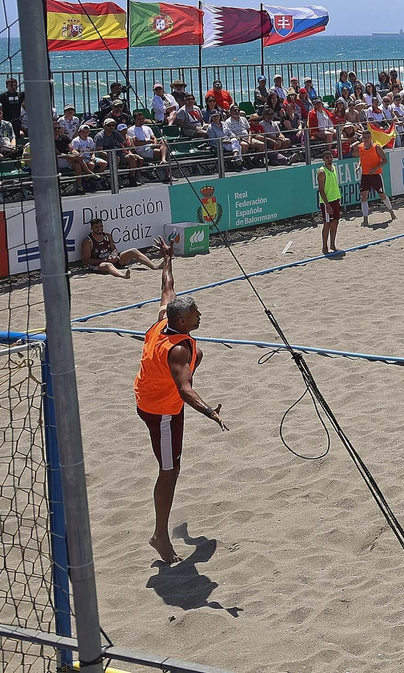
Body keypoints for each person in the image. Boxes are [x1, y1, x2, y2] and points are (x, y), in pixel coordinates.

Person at [133, 235, 227, 565]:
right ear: (182, 321)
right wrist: (209, 411)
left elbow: (167, 289)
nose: (199, 313)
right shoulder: (177, 350)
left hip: (148, 394)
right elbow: (185, 391)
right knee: (169, 471)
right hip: (162, 410)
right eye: (194, 312)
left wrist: (168, 259)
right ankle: (159, 535)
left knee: (198, 352)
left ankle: (168, 533)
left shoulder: (164, 321)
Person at [80, 217, 161, 278]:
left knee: (133, 250)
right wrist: (104, 260)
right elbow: (86, 260)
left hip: (112, 260)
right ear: (92, 228)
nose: (99, 229)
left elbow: (114, 249)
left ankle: (154, 266)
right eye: (96, 227)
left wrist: (114, 255)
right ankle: (123, 276)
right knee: (108, 265)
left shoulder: (107, 236)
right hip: (100, 264)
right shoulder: (88, 241)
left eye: (100, 226)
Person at [355, 132, 397, 226]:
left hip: (375, 175)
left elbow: (384, 160)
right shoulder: (360, 147)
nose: (366, 139)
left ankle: (391, 212)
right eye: (364, 137)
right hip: (365, 175)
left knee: (382, 195)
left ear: (371, 138)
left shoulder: (376, 147)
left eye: (368, 137)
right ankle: (365, 219)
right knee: (363, 197)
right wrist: (358, 166)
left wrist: (375, 168)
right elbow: (361, 158)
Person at [316, 146, 343, 255]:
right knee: (327, 223)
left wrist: (339, 199)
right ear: (323, 159)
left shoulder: (334, 168)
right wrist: (327, 204)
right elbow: (321, 190)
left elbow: (335, 185)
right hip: (327, 201)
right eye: (327, 157)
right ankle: (324, 247)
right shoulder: (322, 172)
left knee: (335, 222)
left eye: (331, 157)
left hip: (335, 199)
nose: (329, 159)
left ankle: (332, 244)